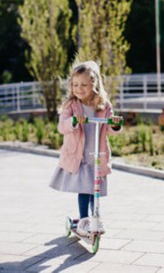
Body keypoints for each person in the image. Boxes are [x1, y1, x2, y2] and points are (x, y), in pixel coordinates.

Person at [49, 60, 123, 223]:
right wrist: (74, 121)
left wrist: (115, 124)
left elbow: (109, 128)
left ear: (94, 84)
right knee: (84, 188)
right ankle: (84, 219)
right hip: (79, 155)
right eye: (75, 85)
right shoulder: (71, 105)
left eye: (83, 85)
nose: (79, 89)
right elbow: (62, 126)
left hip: (96, 154)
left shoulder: (103, 105)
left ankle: (94, 216)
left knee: (94, 190)